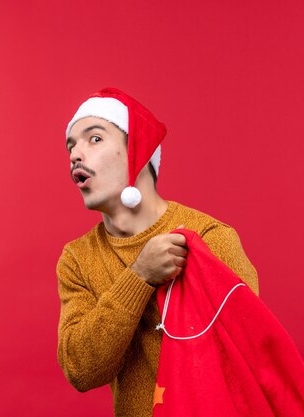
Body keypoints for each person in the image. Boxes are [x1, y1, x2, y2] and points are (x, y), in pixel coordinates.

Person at [56, 87, 259, 417]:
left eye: (94, 139)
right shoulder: (78, 259)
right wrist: (140, 277)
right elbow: (81, 369)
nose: (75, 154)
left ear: (138, 150)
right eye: (71, 145)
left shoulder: (209, 237)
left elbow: (248, 354)